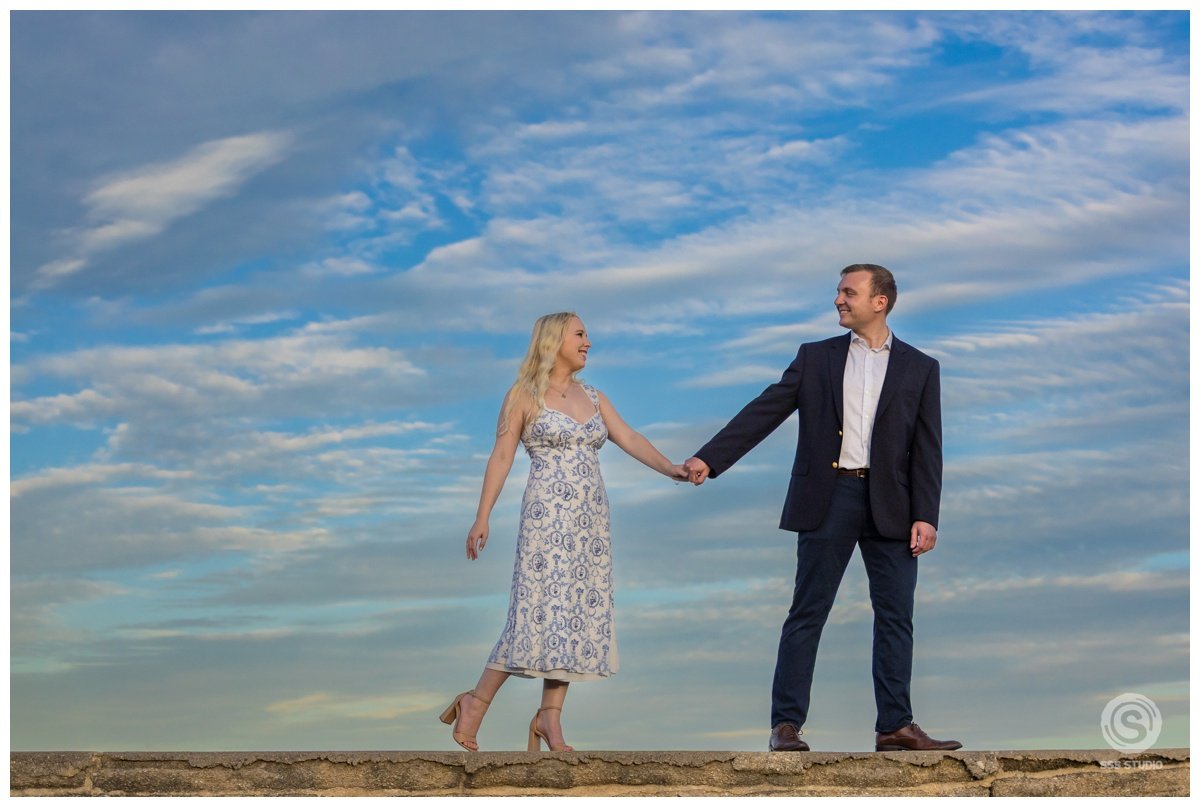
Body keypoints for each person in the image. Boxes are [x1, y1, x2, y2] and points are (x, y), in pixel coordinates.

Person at [682, 264, 961, 753]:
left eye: (848, 292)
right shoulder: (815, 358)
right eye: (838, 291)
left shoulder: (921, 367)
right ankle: (786, 724)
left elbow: (928, 447)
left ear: (881, 301)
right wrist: (711, 456)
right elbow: (765, 409)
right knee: (808, 612)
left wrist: (927, 514)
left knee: (896, 616)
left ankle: (895, 726)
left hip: (892, 507)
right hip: (828, 499)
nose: (838, 299)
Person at [440, 311, 687, 752]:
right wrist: (483, 515)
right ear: (554, 341)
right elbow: (501, 456)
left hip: (590, 522)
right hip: (546, 518)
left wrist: (671, 468)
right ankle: (476, 702)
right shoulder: (524, 394)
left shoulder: (593, 396)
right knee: (536, 612)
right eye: (580, 334)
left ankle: (549, 718)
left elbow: (628, 437)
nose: (588, 341)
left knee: (575, 615)